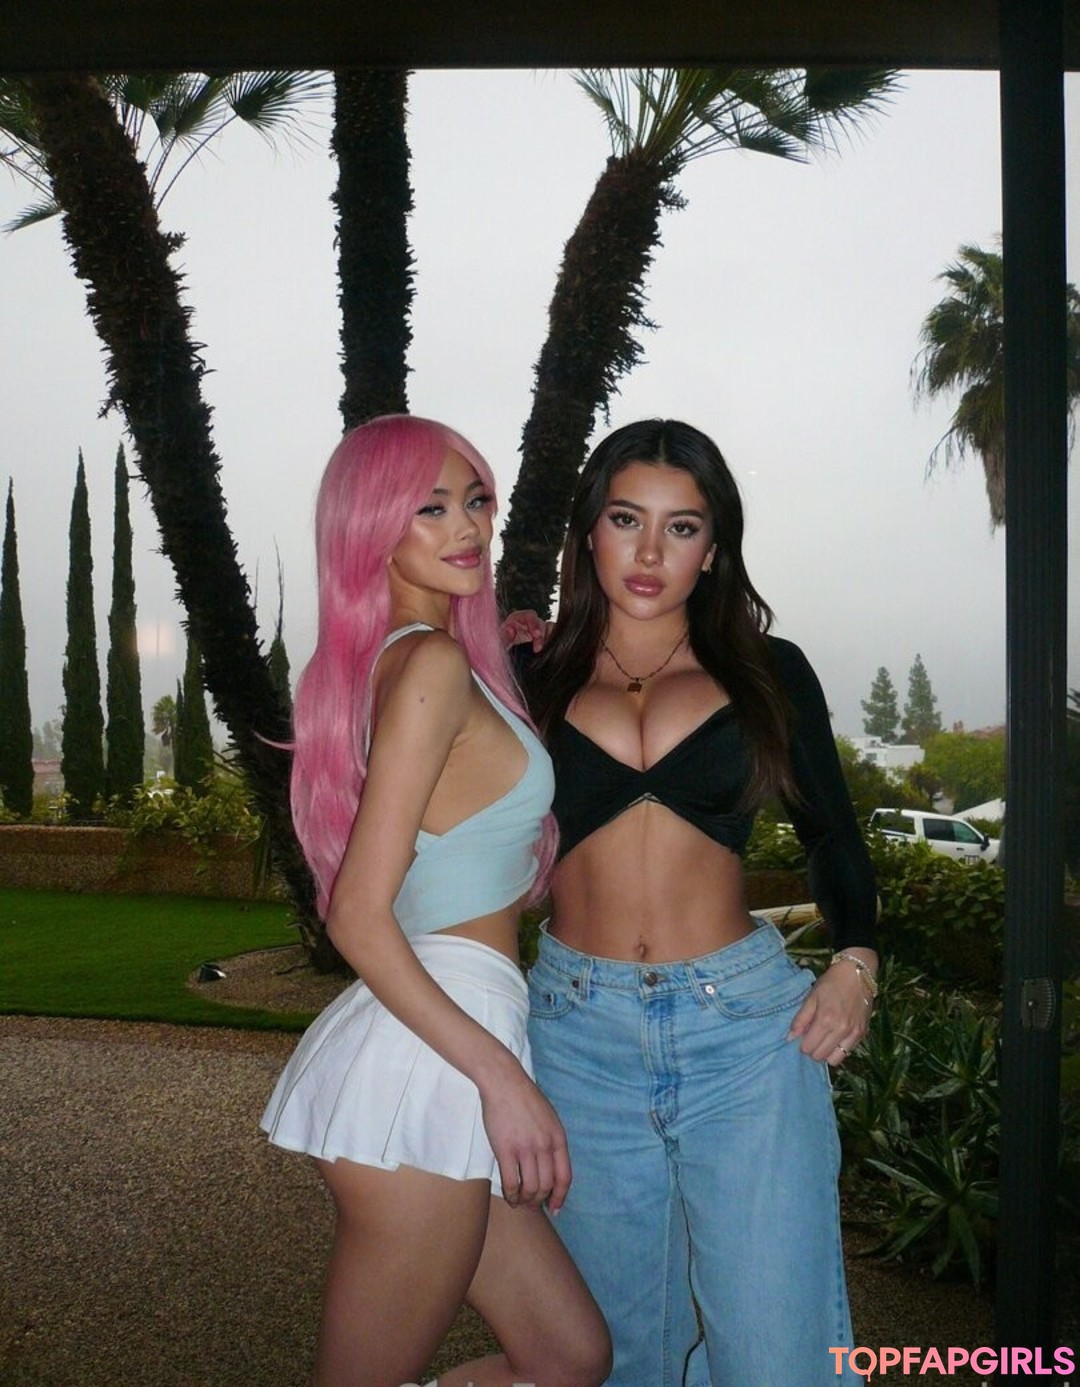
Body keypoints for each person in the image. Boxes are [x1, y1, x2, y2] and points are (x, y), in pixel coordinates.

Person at [513, 419, 878, 1387]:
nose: (649, 552)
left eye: (681, 527)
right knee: (611, 1352)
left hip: (744, 1035)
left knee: (774, 1351)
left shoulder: (767, 669)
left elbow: (833, 836)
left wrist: (856, 961)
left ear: (712, 548)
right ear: (589, 530)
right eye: (626, 519)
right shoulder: (525, 678)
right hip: (576, 1037)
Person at [261, 415, 610, 1387]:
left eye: (476, 499)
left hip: (441, 1035)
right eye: (431, 507)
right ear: (372, 524)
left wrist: (515, 658)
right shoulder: (430, 667)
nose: (467, 526)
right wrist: (504, 1081)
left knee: (567, 1356)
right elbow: (356, 915)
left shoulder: (421, 660)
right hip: (441, 1055)